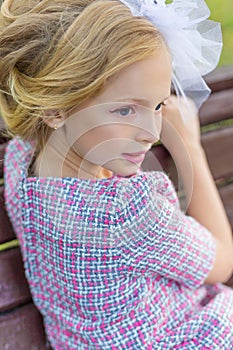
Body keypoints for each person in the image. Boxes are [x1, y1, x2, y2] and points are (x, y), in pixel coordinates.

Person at [1, 0, 233, 348]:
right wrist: (190, 148)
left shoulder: (21, 157)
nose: (153, 133)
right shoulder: (129, 212)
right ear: (55, 108)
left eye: (157, 106)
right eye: (125, 110)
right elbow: (222, 262)